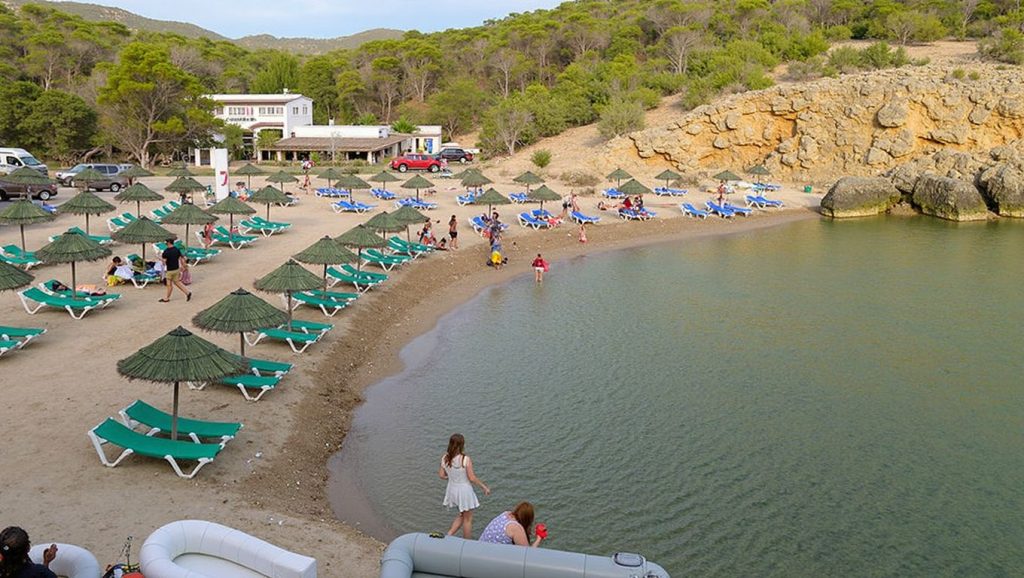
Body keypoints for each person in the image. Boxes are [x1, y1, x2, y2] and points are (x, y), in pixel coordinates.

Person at [439, 433, 490, 539]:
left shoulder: (445, 458)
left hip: (452, 489)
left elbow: (441, 475)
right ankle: (467, 542)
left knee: (462, 515)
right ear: (462, 445)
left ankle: (449, 535)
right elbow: (471, 478)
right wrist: (484, 487)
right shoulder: (465, 459)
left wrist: (451, 477)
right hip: (464, 490)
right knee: (468, 519)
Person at [479, 502, 544, 547]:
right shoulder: (516, 528)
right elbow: (527, 554)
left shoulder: (506, 514)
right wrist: (539, 538)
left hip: (479, 547)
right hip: (487, 557)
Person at [160, 238, 190, 303]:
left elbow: (164, 263)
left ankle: (167, 298)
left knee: (169, 285)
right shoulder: (177, 249)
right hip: (176, 269)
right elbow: (181, 258)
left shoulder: (166, 252)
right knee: (177, 282)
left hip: (170, 270)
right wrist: (184, 266)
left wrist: (161, 259)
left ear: (168, 243)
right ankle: (187, 293)